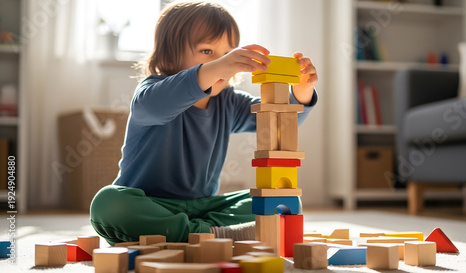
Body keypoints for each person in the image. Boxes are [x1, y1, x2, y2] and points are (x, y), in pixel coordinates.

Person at [90, 0, 318, 245]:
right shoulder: (153, 91)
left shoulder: (228, 101)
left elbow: (279, 123)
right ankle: (207, 235)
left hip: (204, 207)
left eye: (228, 53)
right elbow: (155, 106)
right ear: (169, 57)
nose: (224, 63)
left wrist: (302, 92)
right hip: (150, 204)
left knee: (283, 200)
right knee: (108, 204)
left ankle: (200, 234)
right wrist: (220, 65)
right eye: (208, 51)